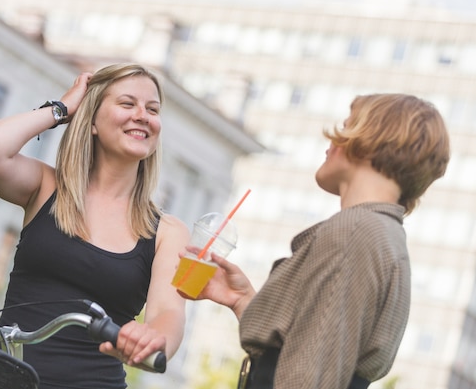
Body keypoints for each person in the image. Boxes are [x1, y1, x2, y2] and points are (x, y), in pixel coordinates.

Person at [182, 93, 451, 389]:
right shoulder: (383, 236)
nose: (331, 142)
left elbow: (311, 373)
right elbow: (318, 346)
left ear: (371, 140)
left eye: (347, 127)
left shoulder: (354, 232)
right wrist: (243, 300)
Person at [0, 63, 190, 389]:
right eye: (128, 104)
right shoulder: (45, 187)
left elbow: (168, 312)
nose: (143, 115)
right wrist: (61, 108)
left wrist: (153, 340)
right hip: (1, 377)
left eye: (152, 109)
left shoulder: (167, 232)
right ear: (93, 120)